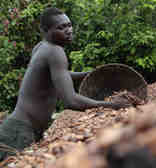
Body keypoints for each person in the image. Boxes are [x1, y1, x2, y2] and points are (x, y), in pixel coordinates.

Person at [0, 7, 129, 160]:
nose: (68, 30)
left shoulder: (42, 47)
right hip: (18, 132)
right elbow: (71, 100)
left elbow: (59, 76)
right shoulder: (55, 52)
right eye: (61, 27)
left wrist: (89, 74)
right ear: (45, 30)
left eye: (69, 25)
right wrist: (113, 105)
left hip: (20, 128)